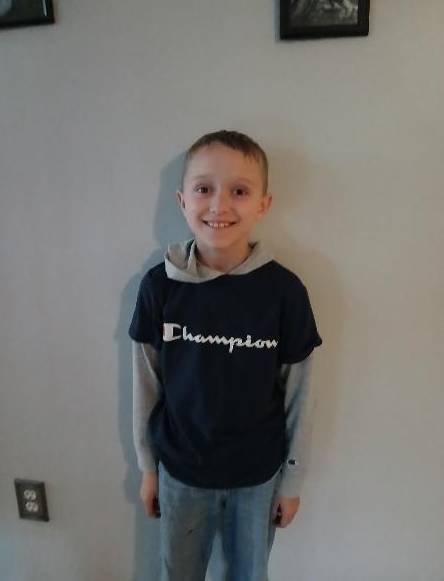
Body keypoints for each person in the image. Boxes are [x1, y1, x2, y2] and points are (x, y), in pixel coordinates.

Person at [129, 130, 322, 580]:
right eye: (203, 189)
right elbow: (145, 384)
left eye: (239, 191)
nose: (219, 205)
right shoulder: (159, 287)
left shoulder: (284, 292)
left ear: (263, 205)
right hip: (180, 473)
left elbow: (301, 394)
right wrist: (148, 468)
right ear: (182, 201)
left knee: (250, 574)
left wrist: (292, 481)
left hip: (257, 477)